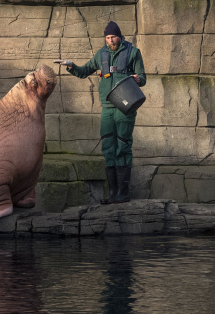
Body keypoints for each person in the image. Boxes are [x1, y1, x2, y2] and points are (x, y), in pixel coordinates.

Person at [54, 21, 146, 204]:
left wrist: (138, 79)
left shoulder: (133, 52)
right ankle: (112, 194)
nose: (110, 40)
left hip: (125, 107)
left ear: (119, 36)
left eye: (113, 37)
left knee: (123, 146)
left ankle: (123, 193)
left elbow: (142, 78)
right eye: (107, 37)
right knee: (108, 147)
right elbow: (84, 71)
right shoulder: (101, 54)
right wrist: (71, 65)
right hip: (107, 107)